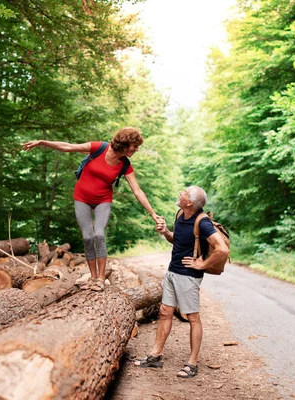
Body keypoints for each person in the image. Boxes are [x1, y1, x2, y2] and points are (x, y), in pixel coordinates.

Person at [22, 127, 160, 291]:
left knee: (99, 234)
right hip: (81, 198)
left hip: (103, 200)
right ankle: (93, 278)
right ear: (124, 144)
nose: (136, 149)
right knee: (88, 237)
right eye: (134, 146)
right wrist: (42, 142)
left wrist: (153, 214)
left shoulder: (125, 165)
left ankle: (101, 278)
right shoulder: (99, 148)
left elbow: (138, 191)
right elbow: (68, 147)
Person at [134, 185, 229, 378]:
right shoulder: (180, 214)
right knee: (164, 312)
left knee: (193, 318)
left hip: (188, 276)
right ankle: (155, 355)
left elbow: (222, 249)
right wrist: (165, 231)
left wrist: (202, 265)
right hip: (172, 271)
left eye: (184, 193)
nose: (180, 193)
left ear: (190, 202)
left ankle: (192, 364)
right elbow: (176, 240)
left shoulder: (203, 223)